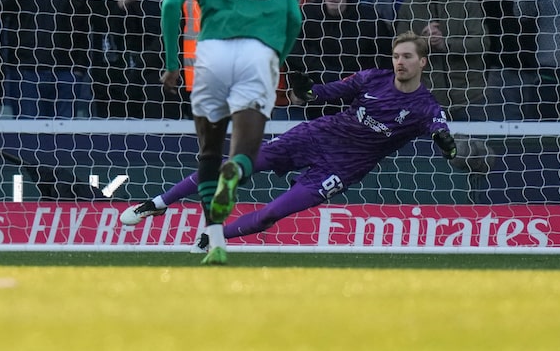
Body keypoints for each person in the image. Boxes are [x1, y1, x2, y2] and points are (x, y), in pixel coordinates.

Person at [123, 32, 456, 250]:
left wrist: (446, 143)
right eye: (397, 55)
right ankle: (157, 203)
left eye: (407, 57)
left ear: (423, 62)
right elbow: (329, 92)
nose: (400, 62)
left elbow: (442, 133)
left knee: (271, 215)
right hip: (316, 136)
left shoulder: (426, 107)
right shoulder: (373, 77)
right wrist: (308, 90)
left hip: (342, 167)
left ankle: (212, 238)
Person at [158, 0, 303, 264]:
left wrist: (173, 63)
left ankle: (215, 241)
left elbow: (168, 5)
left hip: (212, 52)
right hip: (259, 52)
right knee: (244, 153)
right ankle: (235, 172)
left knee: (209, 152)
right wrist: (276, 56)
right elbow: (296, 16)